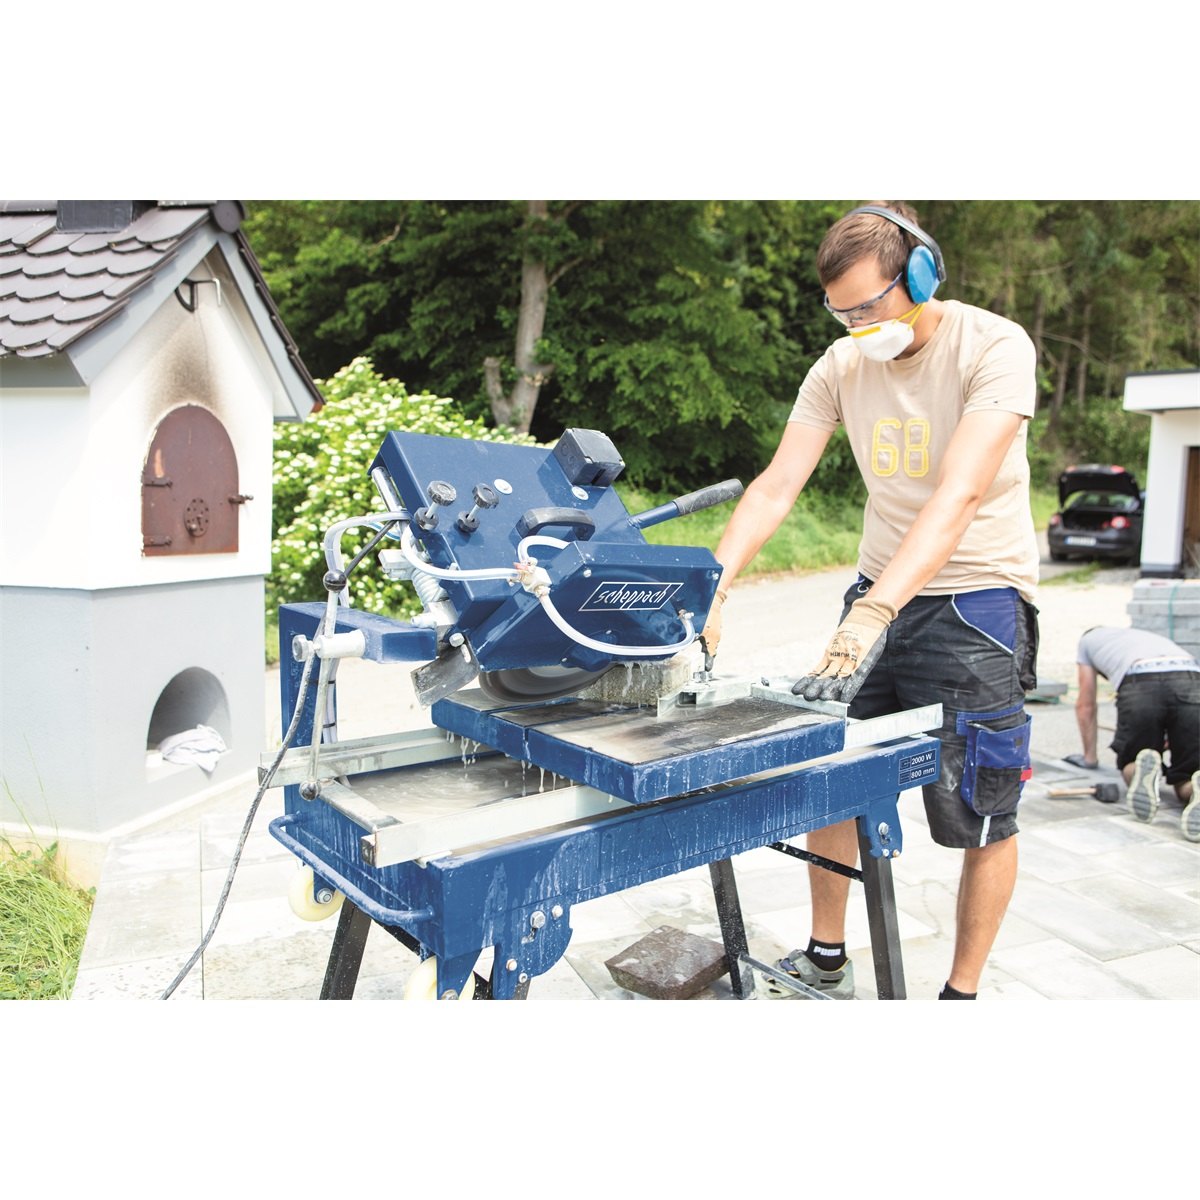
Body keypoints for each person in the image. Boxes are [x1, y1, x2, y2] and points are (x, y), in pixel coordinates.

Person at [702, 202, 1040, 1000]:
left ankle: (959, 994)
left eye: (868, 307)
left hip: (975, 601)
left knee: (979, 809)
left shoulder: (994, 346)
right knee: (834, 768)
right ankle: (827, 957)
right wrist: (710, 585)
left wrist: (875, 613)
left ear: (920, 276)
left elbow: (958, 494)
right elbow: (776, 485)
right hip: (875, 595)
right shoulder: (841, 365)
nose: (857, 327)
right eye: (840, 312)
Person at [1067, 625, 1200, 841]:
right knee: (1189, 771)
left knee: (1134, 759)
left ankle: (1139, 770)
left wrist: (1090, 759)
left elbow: (1086, 705)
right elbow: (1171, 688)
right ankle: (1194, 788)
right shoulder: (1142, 636)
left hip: (1140, 681)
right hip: (1191, 678)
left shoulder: (1087, 642)